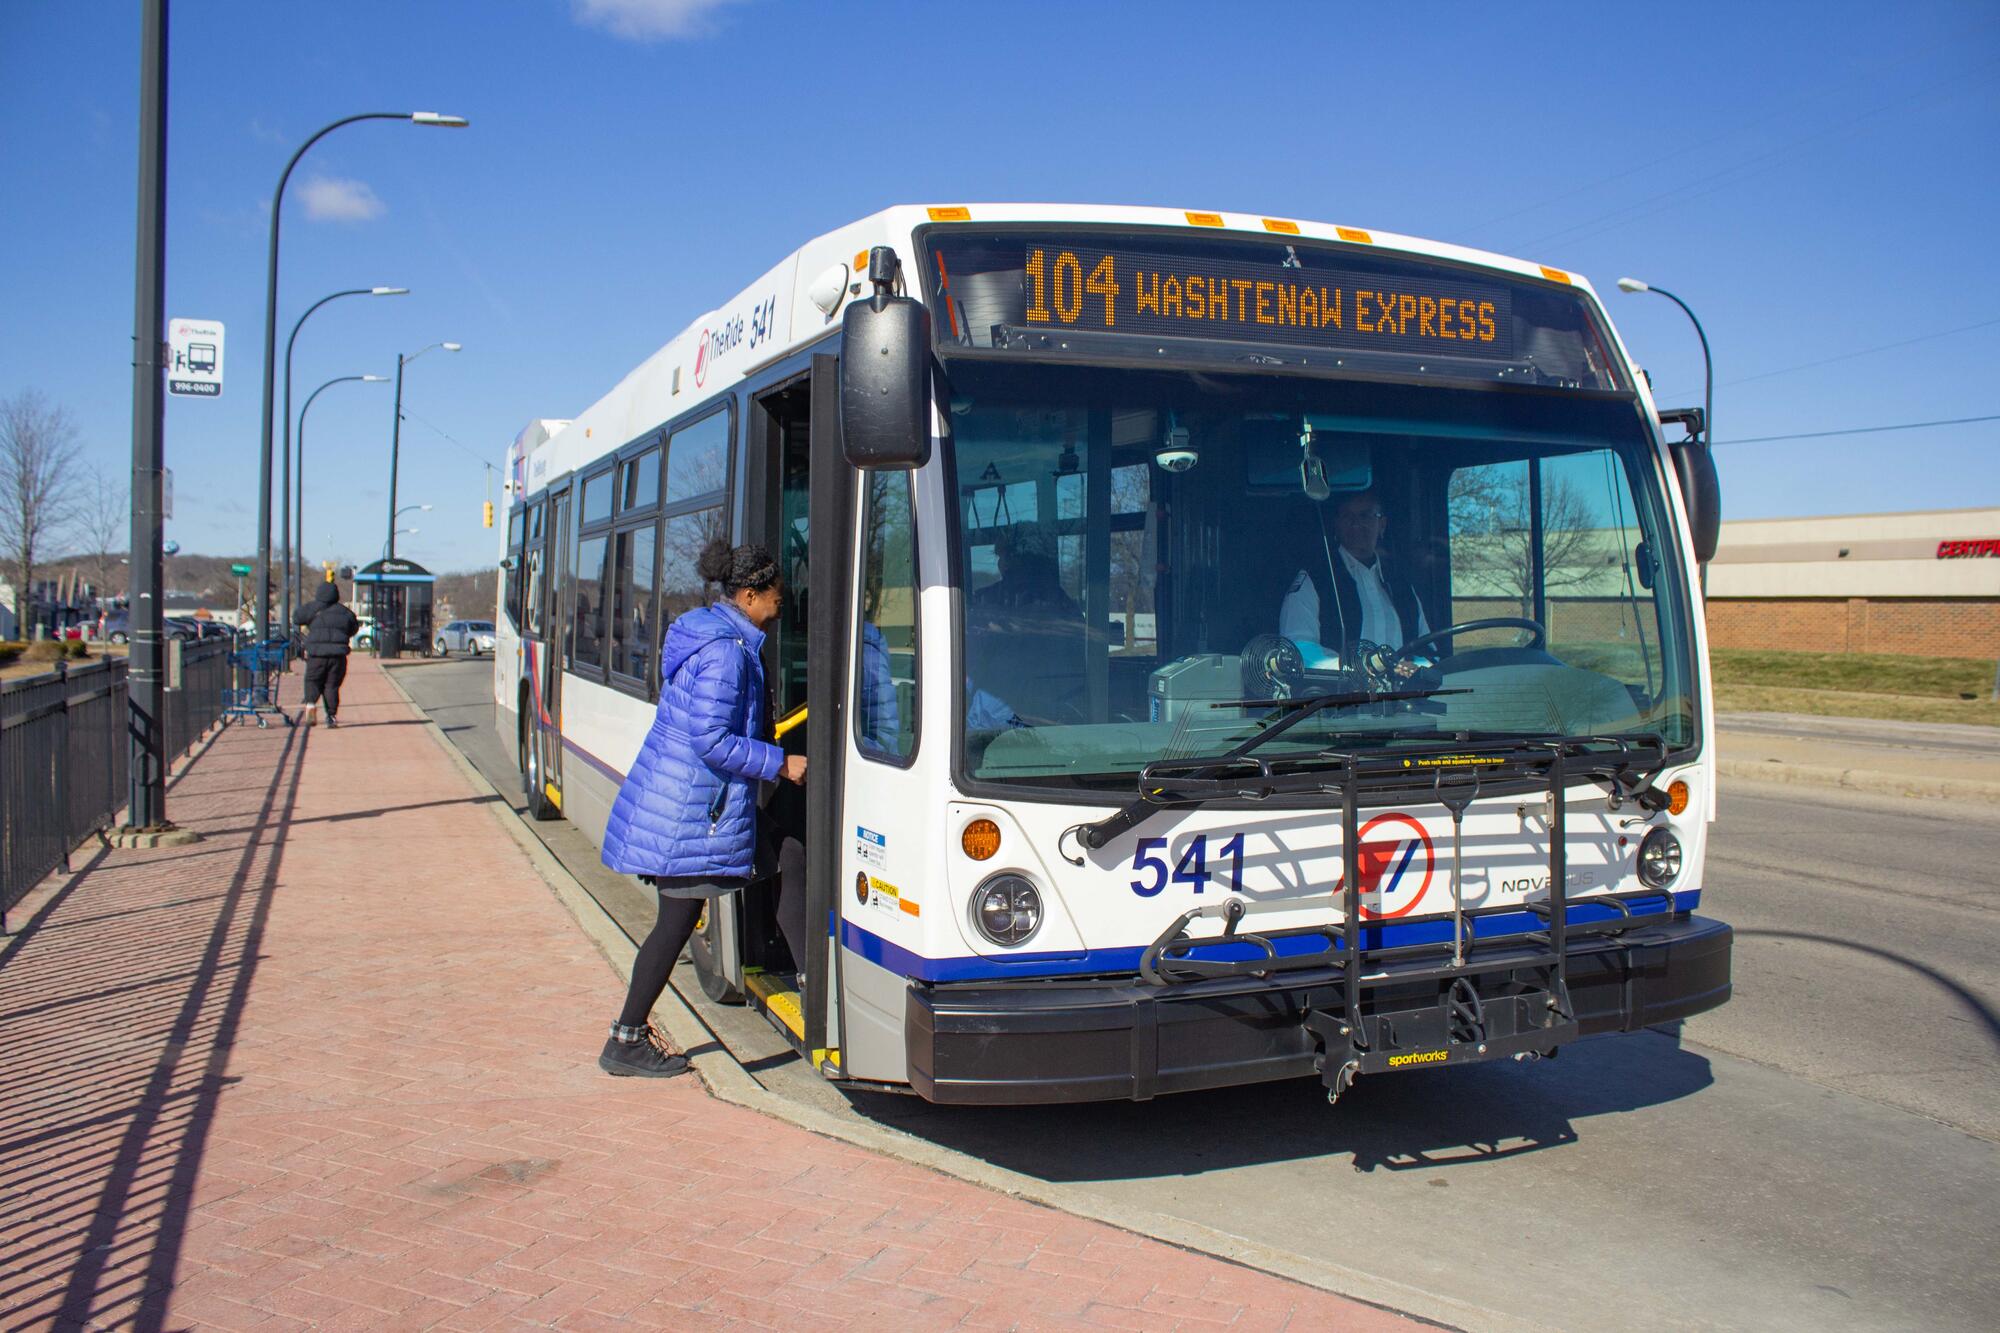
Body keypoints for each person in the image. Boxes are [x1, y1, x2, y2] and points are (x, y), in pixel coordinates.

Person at [596, 539, 807, 1077]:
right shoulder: (726, 653)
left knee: (784, 857)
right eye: (776, 593)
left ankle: (811, 984)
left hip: (695, 803)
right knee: (676, 921)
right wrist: (780, 764)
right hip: (694, 810)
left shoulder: (719, 637)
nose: (782, 601)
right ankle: (625, 1038)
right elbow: (710, 739)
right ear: (750, 593)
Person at [1279, 489, 1429, 667]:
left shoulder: (1401, 586)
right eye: (1347, 516)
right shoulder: (1315, 580)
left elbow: (1427, 651)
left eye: (1365, 515)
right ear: (1336, 525)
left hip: (1404, 693)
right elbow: (1297, 648)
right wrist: (1354, 669)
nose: (1356, 524)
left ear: (1382, 524)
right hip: (1340, 694)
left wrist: (1415, 668)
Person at [293, 580, 359, 726]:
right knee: (332, 685)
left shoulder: (312, 608)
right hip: (338, 656)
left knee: (312, 680)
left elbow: (297, 618)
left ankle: (310, 705)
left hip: (316, 655)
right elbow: (354, 628)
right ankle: (331, 716)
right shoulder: (345, 612)